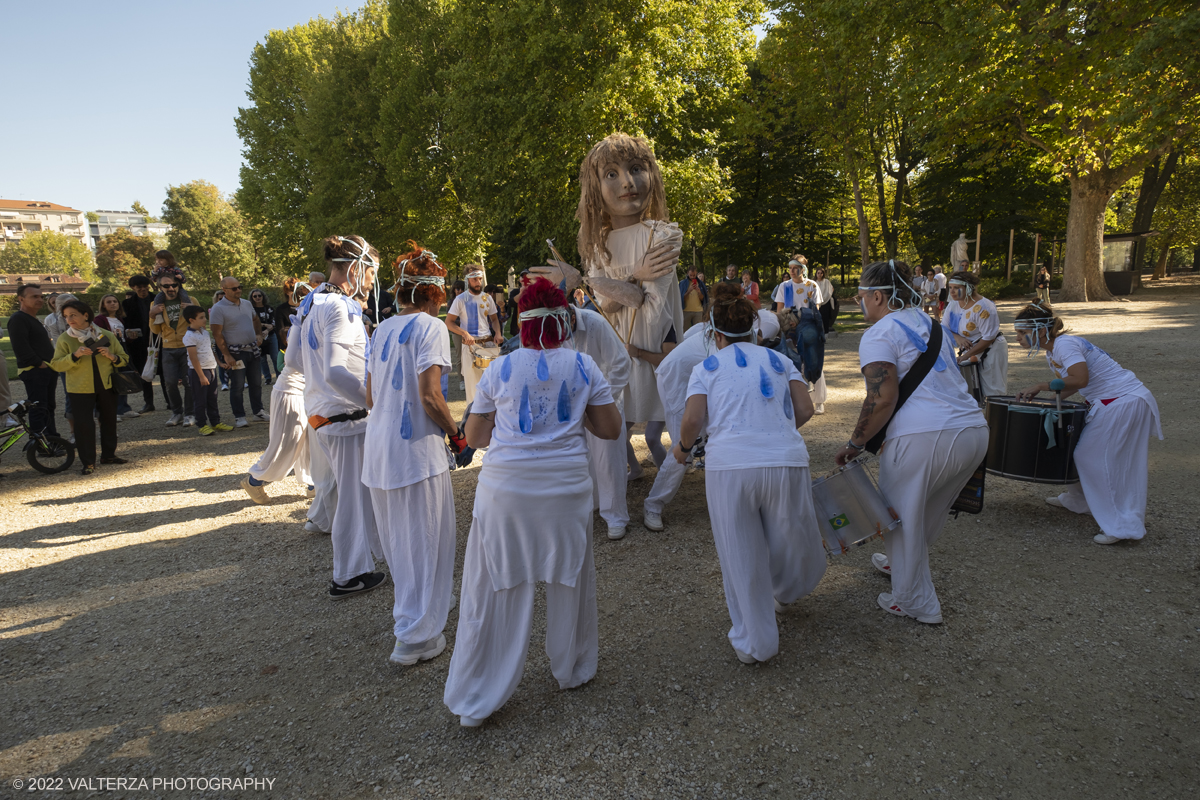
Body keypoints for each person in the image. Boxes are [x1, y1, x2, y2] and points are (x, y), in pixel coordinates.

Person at [443, 278, 622, 727]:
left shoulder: (500, 369)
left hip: (507, 491)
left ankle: (478, 695)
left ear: (520, 324)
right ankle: (573, 668)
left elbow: (478, 437)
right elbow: (610, 429)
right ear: (563, 321)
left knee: (495, 588)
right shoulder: (583, 366)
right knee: (570, 581)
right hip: (566, 491)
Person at [675, 283, 824, 663]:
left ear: (715, 333)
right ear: (755, 329)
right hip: (785, 461)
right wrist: (776, 432)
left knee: (740, 554)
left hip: (730, 468)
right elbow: (804, 409)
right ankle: (788, 590)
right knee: (792, 535)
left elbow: (692, 419)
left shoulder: (706, 367)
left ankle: (756, 642)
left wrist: (683, 448)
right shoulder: (779, 361)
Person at [833, 260, 987, 625]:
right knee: (928, 507)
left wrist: (855, 443)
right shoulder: (929, 323)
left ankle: (915, 601)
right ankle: (899, 564)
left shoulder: (878, 333)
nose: (859, 302)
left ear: (877, 296)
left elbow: (882, 397)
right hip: (972, 430)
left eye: (860, 295)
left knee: (900, 517)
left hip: (925, 437)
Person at [364, 243, 467, 666]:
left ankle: (413, 616)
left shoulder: (381, 328)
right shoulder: (431, 327)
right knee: (428, 540)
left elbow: (370, 396)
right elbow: (430, 397)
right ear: (431, 294)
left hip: (379, 449)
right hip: (415, 451)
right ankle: (417, 636)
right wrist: (457, 435)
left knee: (400, 545)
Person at [1013, 302, 1163, 545]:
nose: (1018, 338)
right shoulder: (1053, 352)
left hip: (1122, 401)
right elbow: (1069, 384)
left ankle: (1122, 526)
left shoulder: (1064, 344)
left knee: (1092, 457)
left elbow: (1081, 379)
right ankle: (1080, 501)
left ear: (1041, 331)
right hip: (1117, 401)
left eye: (1022, 332)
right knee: (1076, 452)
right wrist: (1049, 403)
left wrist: (1041, 386)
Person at [299, 235, 386, 600]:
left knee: (358, 495)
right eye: (371, 274)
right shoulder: (338, 307)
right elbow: (336, 371)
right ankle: (347, 575)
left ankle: (368, 558)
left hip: (328, 413)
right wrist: (375, 402)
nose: (371, 282)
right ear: (356, 267)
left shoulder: (312, 302)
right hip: (344, 418)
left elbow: (292, 362)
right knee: (352, 498)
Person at [642, 314, 715, 531]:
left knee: (712, 436)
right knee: (683, 445)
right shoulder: (720, 338)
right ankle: (653, 505)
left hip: (695, 379)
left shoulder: (726, 333)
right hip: (676, 379)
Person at [568, 301, 632, 540]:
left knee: (609, 460)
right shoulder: (550, 328)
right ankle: (591, 504)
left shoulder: (595, 323)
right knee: (581, 458)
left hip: (605, 401)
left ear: (572, 317)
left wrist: (599, 400)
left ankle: (615, 515)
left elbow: (621, 363)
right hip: (574, 406)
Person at [50, 299, 131, 475]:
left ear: (85, 315)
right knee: (84, 425)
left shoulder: (105, 335)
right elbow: (56, 365)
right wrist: (74, 355)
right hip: (79, 388)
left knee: (109, 420)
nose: (69, 319)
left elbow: (124, 358)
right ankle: (88, 462)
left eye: (73, 315)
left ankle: (109, 455)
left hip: (106, 384)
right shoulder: (65, 339)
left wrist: (111, 356)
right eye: (66, 316)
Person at [210, 276, 268, 427]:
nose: (238, 290)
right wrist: (226, 355)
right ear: (224, 289)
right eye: (234, 288)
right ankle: (239, 416)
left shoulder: (247, 303)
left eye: (240, 287)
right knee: (238, 385)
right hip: (235, 353)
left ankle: (258, 412)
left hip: (252, 349)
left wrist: (259, 335)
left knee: (256, 382)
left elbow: (255, 320)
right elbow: (217, 334)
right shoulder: (218, 308)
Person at [773, 256, 827, 414]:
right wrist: (786, 321)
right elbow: (780, 310)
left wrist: (803, 319)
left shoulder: (812, 285)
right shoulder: (784, 286)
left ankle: (818, 400)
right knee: (789, 360)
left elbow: (815, 309)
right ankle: (793, 399)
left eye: (794, 268)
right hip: (789, 325)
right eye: (789, 268)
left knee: (813, 358)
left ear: (802, 269)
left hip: (808, 324)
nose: (791, 271)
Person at [943, 270, 1009, 400]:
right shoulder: (953, 305)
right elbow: (945, 328)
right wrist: (959, 338)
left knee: (992, 388)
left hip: (991, 349)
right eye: (950, 287)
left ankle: (994, 415)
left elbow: (988, 338)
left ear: (968, 288)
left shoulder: (985, 307)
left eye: (957, 288)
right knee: (971, 387)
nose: (952, 291)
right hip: (970, 349)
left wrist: (966, 355)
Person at [445, 265, 504, 403]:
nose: (479, 282)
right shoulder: (460, 299)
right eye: (475, 279)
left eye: (480, 279)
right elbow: (449, 322)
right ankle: (472, 419)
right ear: (467, 280)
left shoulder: (487, 298)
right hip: (470, 347)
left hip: (488, 344)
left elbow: (494, 319)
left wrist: (498, 333)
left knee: (492, 385)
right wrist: (464, 333)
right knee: (473, 388)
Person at [6, 284, 59, 437]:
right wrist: (39, 364)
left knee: (48, 406)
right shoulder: (18, 319)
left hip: (46, 369)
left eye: (41, 296)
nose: (40, 299)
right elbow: (21, 347)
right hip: (34, 370)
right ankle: (41, 444)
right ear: (21, 299)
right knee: (39, 408)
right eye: (34, 296)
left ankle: (52, 439)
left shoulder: (33, 319)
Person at [149, 273, 199, 427]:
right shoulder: (155, 304)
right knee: (170, 382)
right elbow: (155, 330)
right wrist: (152, 315)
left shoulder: (190, 300)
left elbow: (201, 324)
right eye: (166, 286)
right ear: (160, 287)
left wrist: (192, 310)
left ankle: (190, 414)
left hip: (188, 346)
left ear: (179, 285)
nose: (171, 288)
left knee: (189, 381)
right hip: (168, 347)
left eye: (174, 285)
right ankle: (177, 412)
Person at [179, 306, 230, 436]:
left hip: (211, 368)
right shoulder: (189, 336)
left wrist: (219, 363)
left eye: (204, 316)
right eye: (201, 317)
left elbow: (210, 349)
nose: (204, 319)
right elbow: (193, 357)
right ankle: (202, 424)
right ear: (191, 320)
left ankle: (215, 422)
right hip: (198, 372)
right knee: (200, 399)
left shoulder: (205, 332)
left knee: (212, 397)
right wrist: (201, 375)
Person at [94, 293, 138, 421]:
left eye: (115, 301)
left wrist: (129, 337)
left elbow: (123, 339)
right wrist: (111, 337)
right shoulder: (100, 320)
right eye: (109, 302)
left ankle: (124, 408)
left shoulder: (120, 319)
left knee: (123, 379)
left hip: (122, 350)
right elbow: (98, 338)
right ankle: (113, 411)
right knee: (112, 381)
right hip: (108, 352)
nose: (113, 303)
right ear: (103, 305)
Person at [43, 293, 77, 438]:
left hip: (86, 359)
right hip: (67, 362)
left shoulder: (84, 316)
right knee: (70, 395)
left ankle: (102, 428)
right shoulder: (53, 321)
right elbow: (58, 345)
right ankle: (74, 432)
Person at [122, 275, 156, 413]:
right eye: (139, 287)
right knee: (144, 373)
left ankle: (170, 402)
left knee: (164, 372)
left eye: (145, 286)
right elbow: (126, 323)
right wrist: (129, 332)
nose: (143, 290)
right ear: (133, 288)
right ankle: (149, 403)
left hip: (157, 339)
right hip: (139, 343)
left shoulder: (157, 299)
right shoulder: (127, 304)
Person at [249, 289, 279, 386]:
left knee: (275, 357)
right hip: (257, 337)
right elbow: (250, 322)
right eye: (255, 296)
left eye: (259, 296)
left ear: (263, 297)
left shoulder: (269, 308)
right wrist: (265, 325)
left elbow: (274, 322)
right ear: (252, 298)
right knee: (262, 359)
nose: (257, 298)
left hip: (270, 335)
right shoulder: (251, 310)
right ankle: (267, 378)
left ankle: (279, 376)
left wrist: (267, 330)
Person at [679, 265, 709, 330]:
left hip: (698, 311)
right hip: (686, 311)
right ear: (687, 273)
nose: (692, 277)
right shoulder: (682, 283)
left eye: (694, 275)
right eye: (690, 275)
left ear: (696, 273)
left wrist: (699, 292)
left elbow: (703, 299)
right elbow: (681, 298)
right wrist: (689, 291)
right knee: (684, 332)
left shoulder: (701, 284)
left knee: (698, 332)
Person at [812, 266, 837, 334]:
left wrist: (825, 296)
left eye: (821, 273)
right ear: (816, 274)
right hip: (816, 302)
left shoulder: (826, 282)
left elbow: (831, 289)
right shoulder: (813, 282)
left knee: (825, 318)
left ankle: (825, 333)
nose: (820, 274)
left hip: (825, 302)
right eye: (818, 273)